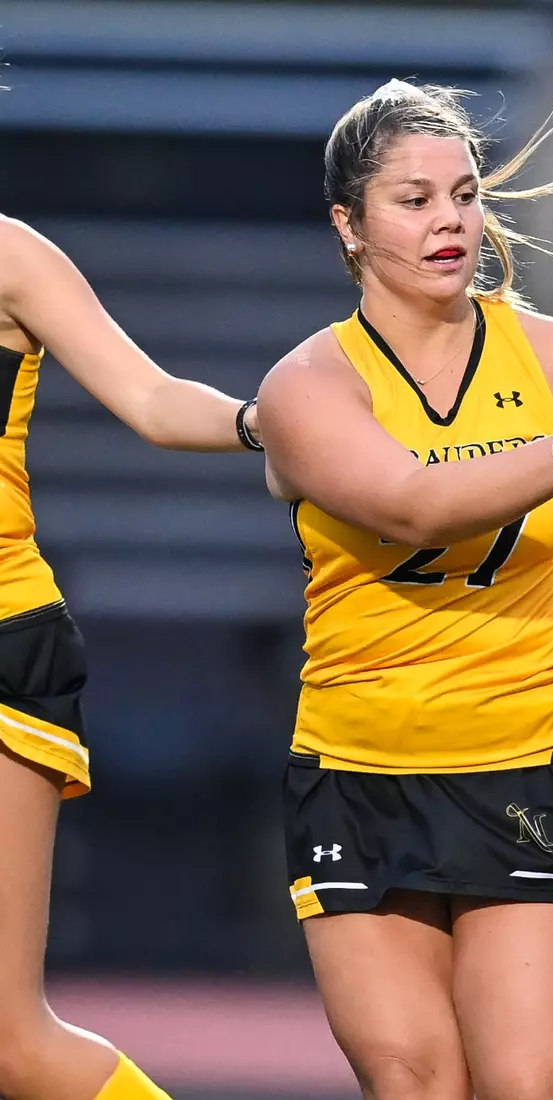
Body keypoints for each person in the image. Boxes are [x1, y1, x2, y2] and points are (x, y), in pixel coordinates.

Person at [256, 80, 553, 1100]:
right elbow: (410, 507)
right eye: (413, 200)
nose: (450, 219)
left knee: (532, 1086)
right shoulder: (306, 385)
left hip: (536, 764)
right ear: (349, 225)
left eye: (463, 194)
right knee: (416, 1081)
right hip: (358, 773)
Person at [0, 218, 263, 1095]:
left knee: (10, 1044)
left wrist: (262, 422)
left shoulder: (11, 257)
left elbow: (151, 401)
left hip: (1, 638)